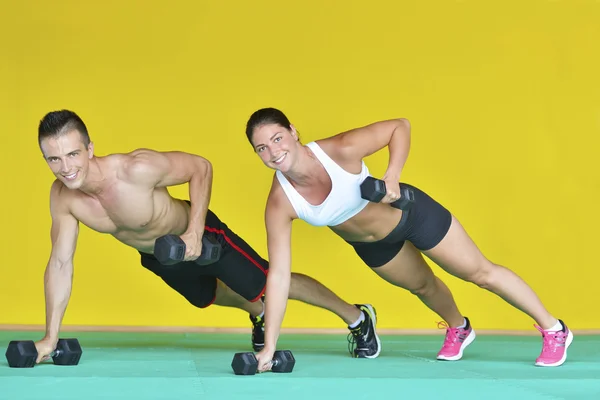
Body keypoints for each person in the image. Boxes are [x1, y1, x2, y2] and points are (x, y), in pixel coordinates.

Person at [33, 109, 381, 364]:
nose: (66, 168)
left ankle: (356, 317)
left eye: (73, 154)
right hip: (159, 255)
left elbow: (200, 167)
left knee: (265, 279)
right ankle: (259, 312)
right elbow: (61, 262)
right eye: (54, 159)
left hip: (200, 236)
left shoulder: (134, 169)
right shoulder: (63, 196)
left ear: (90, 148)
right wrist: (51, 336)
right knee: (208, 295)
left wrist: (195, 232)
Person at [245, 107, 574, 371]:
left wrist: (392, 175)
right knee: (423, 286)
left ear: (293, 132)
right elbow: (279, 275)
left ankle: (554, 329)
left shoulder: (340, 149)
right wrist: (270, 347)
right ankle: (458, 327)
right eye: (262, 148)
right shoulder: (280, 202)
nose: (273, 152)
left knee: (480, 274)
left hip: (411, 214)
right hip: (373, 245)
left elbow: (399, 126)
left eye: (277, 138)